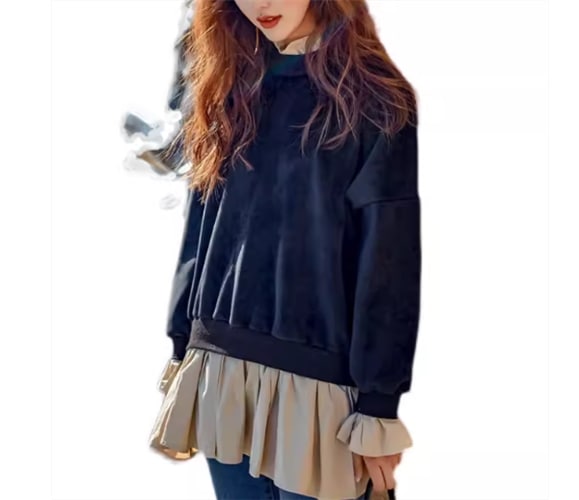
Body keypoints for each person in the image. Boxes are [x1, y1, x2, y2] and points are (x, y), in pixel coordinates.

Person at [148, 1, 421, 499]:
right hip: (222, 374)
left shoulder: (375, 98)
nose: (261, 4)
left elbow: (389, 264)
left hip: (319, 393)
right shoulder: (226, 84)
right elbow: (201, 227)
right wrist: (182, 340)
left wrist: (379, 404)